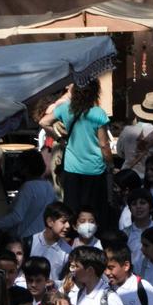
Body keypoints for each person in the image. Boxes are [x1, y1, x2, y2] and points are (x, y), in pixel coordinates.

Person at [42, 79, 113, 220]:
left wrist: (59, 139)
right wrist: (111, 164)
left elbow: (43, 122)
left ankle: (73, 238)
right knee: (94, 211)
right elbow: (104, 145)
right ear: (94, 92)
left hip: (71, 168)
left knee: (72, 210)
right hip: (95, 169)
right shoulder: (98, 113)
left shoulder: (65, 109)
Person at [0, 151, 57, 245]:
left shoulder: (28, 187)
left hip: (26, 240)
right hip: (43, 239)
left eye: (19, 165)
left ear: (25, 168)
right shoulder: (48, 185)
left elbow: (16, 217)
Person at [28, 202, 74, 282]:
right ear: (50, 222)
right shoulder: (29, 243)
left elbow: (66, 281)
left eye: (69, 222)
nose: (68, 226)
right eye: (63, 222)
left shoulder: (68, 251)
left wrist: (54, 284)